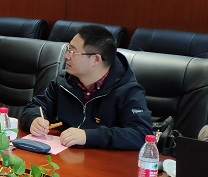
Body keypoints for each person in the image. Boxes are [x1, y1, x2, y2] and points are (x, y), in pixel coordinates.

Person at [19, 25, 153, 149]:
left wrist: (88, 136)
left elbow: (141, 134)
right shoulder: (63, 81)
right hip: (63, 154)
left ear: (96, 59)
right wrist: (34, 119)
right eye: (68, 49)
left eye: (73, 52)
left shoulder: (128, 90)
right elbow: (35, 107)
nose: (66, 56)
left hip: (102, 161)